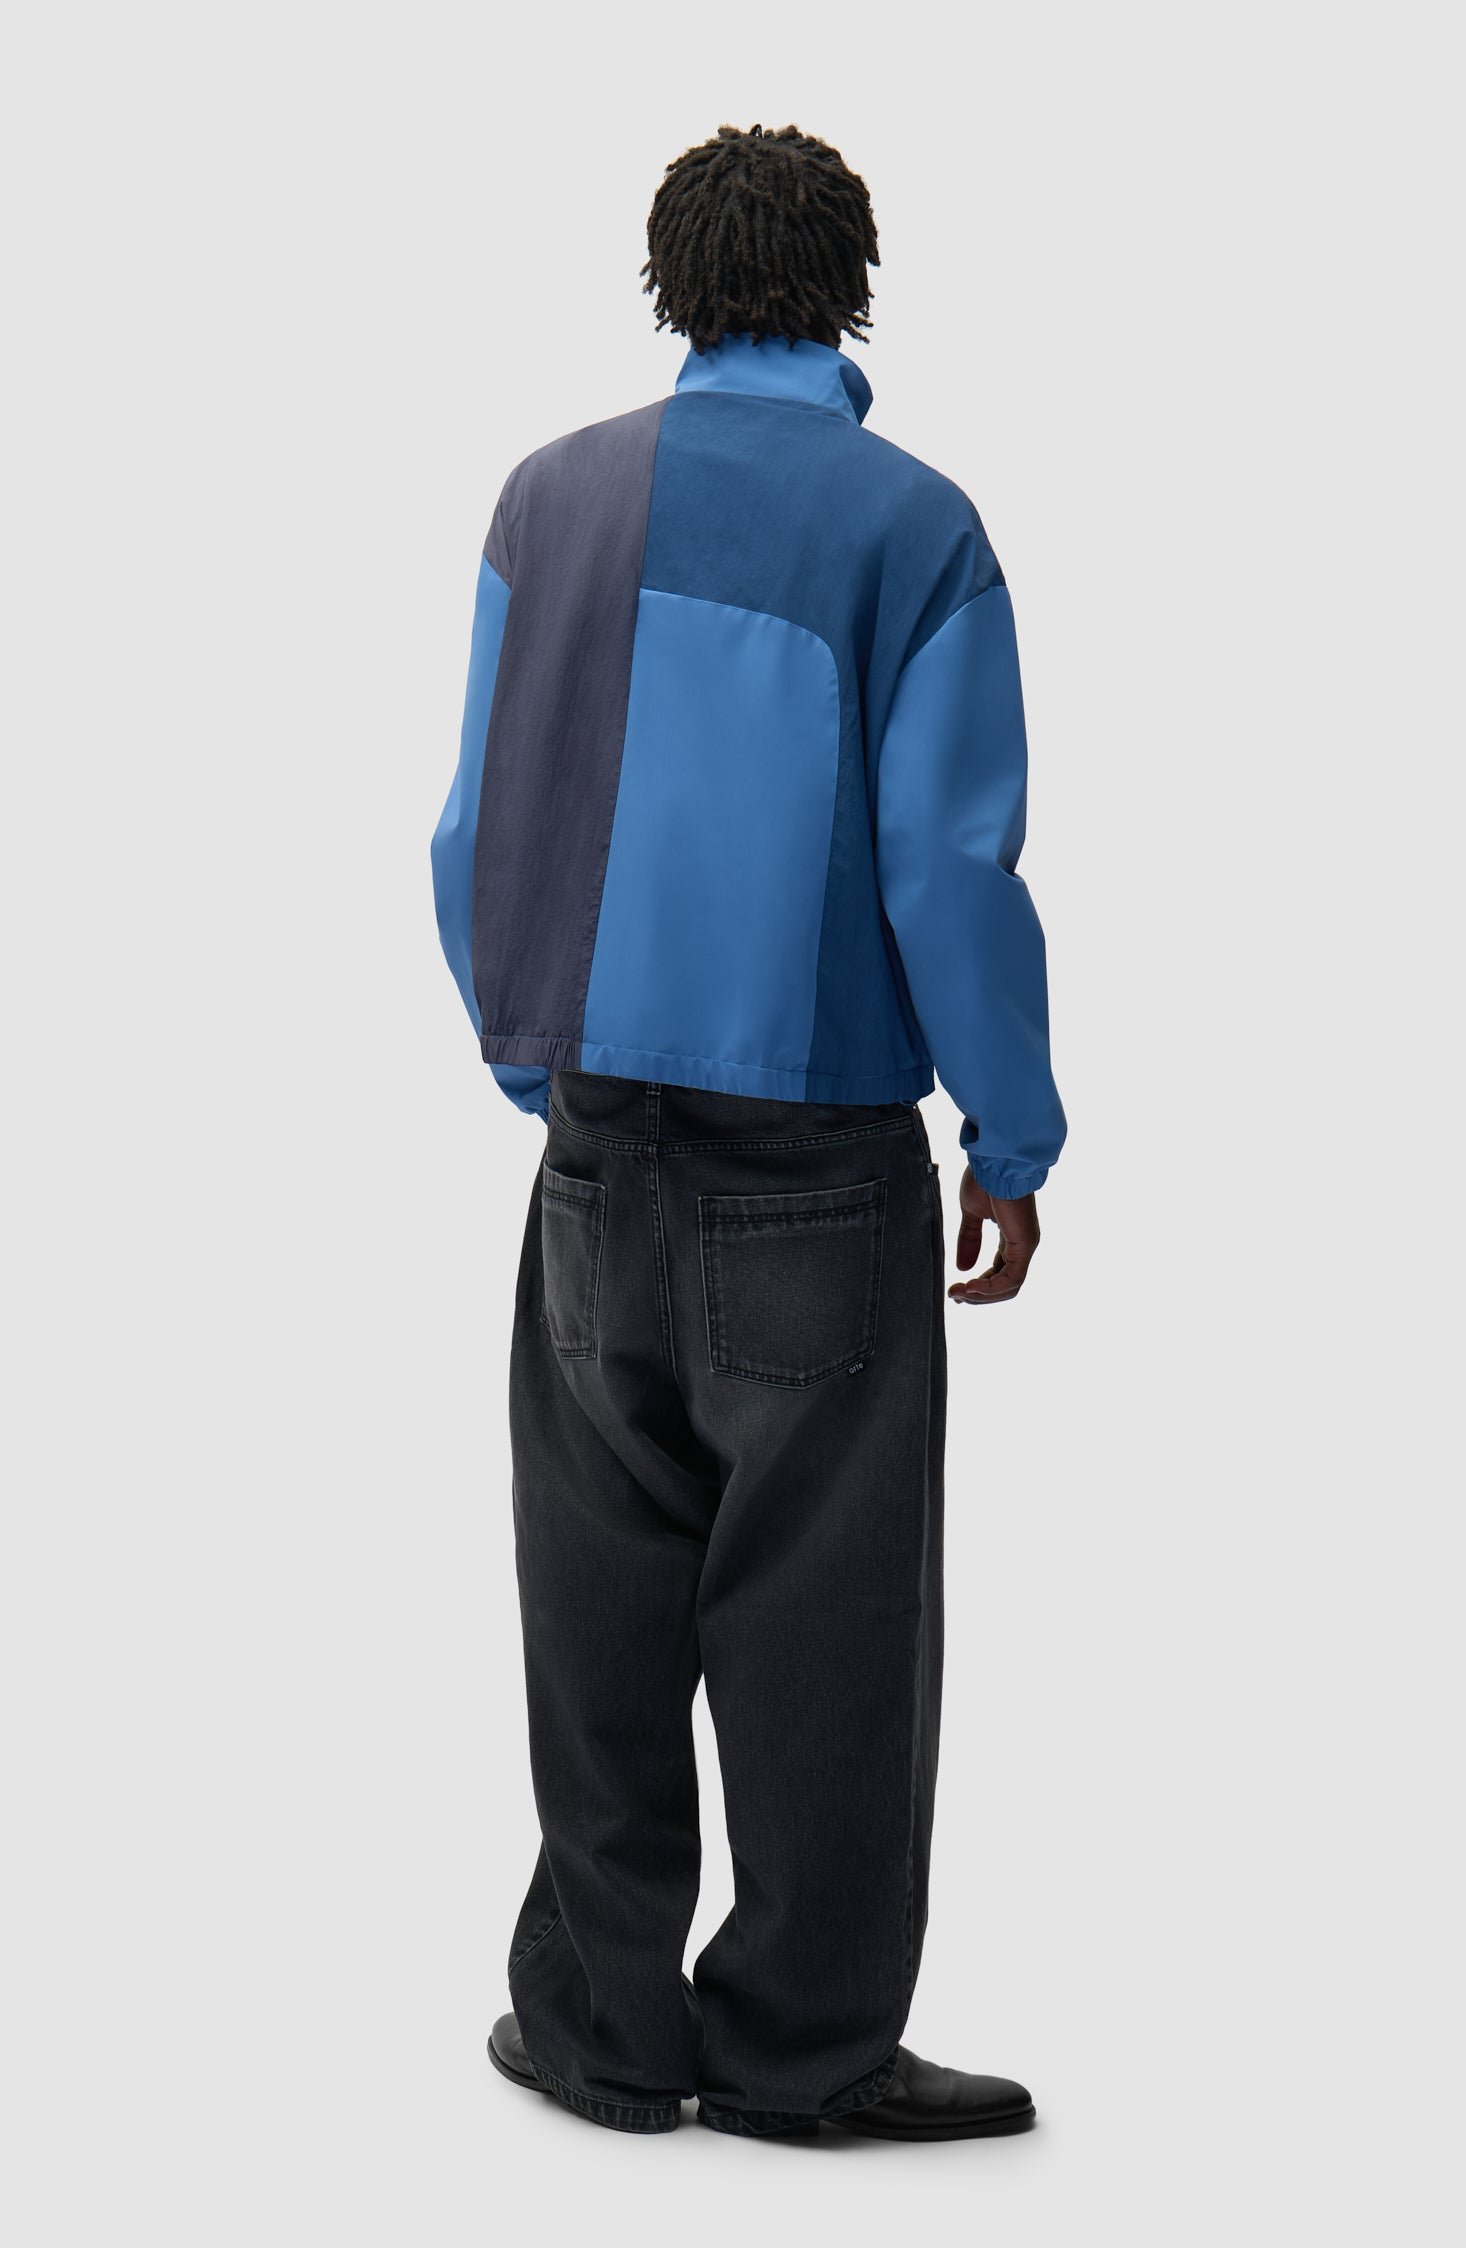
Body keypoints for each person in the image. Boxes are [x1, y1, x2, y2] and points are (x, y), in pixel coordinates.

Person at [431, 121, 1066, 2141]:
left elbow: (470, 827)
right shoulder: (916, 530)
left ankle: (601, 2030)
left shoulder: (545, 498)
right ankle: (801, 2049)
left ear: (672, 284)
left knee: (594, 1597)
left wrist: (542, 1070)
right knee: (827, 1619)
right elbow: (949, 870)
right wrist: (1014, 1134)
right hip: (816, 1168)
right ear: (850, 284)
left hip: (593, 1143)